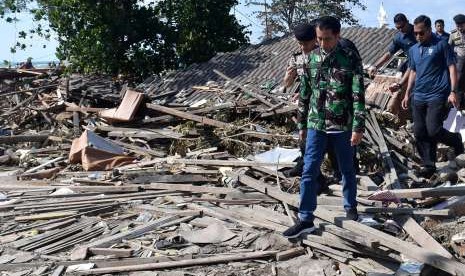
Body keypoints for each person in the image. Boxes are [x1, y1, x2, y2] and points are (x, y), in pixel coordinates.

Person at [282, 16, 365, 238]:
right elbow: (305, 93)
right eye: (319, 39)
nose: (322, 44)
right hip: (316, 124)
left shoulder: (350, 59)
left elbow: (358, 95)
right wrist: (301, 124)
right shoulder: (311, 59)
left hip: (342, 126)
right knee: (309, 171)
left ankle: (350, 207)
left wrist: (358, 127)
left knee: (347, 169)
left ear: (337, 35)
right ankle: (305, 218)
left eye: (327, 39)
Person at [402, 15, 463, 179]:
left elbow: (452, 68)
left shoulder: (441, 45)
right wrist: (407, 93)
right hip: (418, 95)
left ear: (429, 30)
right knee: (420, 132)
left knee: (433, 129)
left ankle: (455, 140)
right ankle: (429, 165)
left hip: (437, 94)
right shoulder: (414, 49)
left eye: (421, 33)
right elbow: (413, 71)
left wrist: (453, 91)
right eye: (415, 33)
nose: (418, 36)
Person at [369, 14, 416, 92]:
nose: (400, 29)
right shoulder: (398, 38)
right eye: (398, 28)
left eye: (402, 26)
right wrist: (376, 66)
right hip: (410, 67)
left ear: (407, 22)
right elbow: (389, 54)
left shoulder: (418, 31)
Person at [450, 14, 465, 106]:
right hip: (460, 60)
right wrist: (456, 49)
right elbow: (449, 47)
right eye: (457, 25)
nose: (459, 27)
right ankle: (459, 105)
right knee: (458, 80)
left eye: (461, 25)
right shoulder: (453, 34)